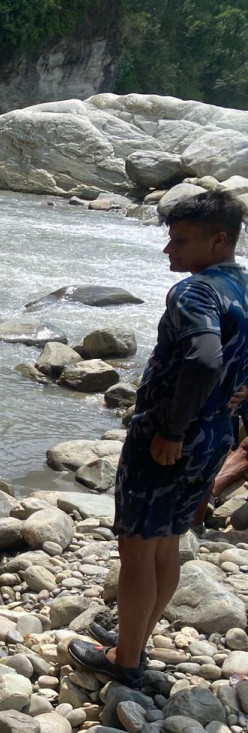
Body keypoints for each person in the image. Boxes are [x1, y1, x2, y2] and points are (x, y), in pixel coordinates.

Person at [69, 190, 248, 688]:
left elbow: (205, 357)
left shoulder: (196, 292)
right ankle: (134, 641)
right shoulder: (244, 286)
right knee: (166, 543)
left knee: (137, 549)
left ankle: (124, 662)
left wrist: (170, 430)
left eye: (181, 241)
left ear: (218, 240)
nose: (169, 252)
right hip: (214, 434)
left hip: (170, 437)